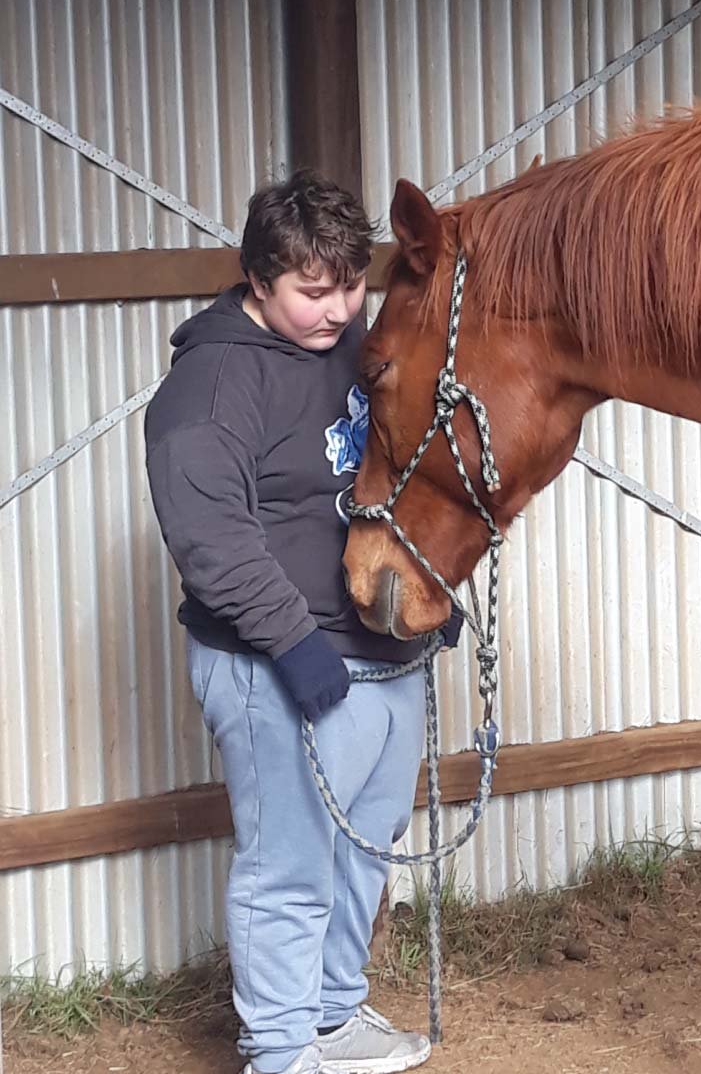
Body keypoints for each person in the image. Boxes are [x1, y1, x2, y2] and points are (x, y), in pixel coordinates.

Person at [145, 169, 453, 1074]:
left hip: (380, 654)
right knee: (288, 864)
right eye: (314, 294)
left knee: (366, 843)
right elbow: (210, 541)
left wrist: (431, 592)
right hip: (279, 662)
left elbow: (400, 466)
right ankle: (280, 1051)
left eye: (351, 286)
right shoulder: (209, 389)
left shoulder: (356, 342)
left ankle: (330, 1011)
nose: (339, 311)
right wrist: (295, 645)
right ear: (257, 279)